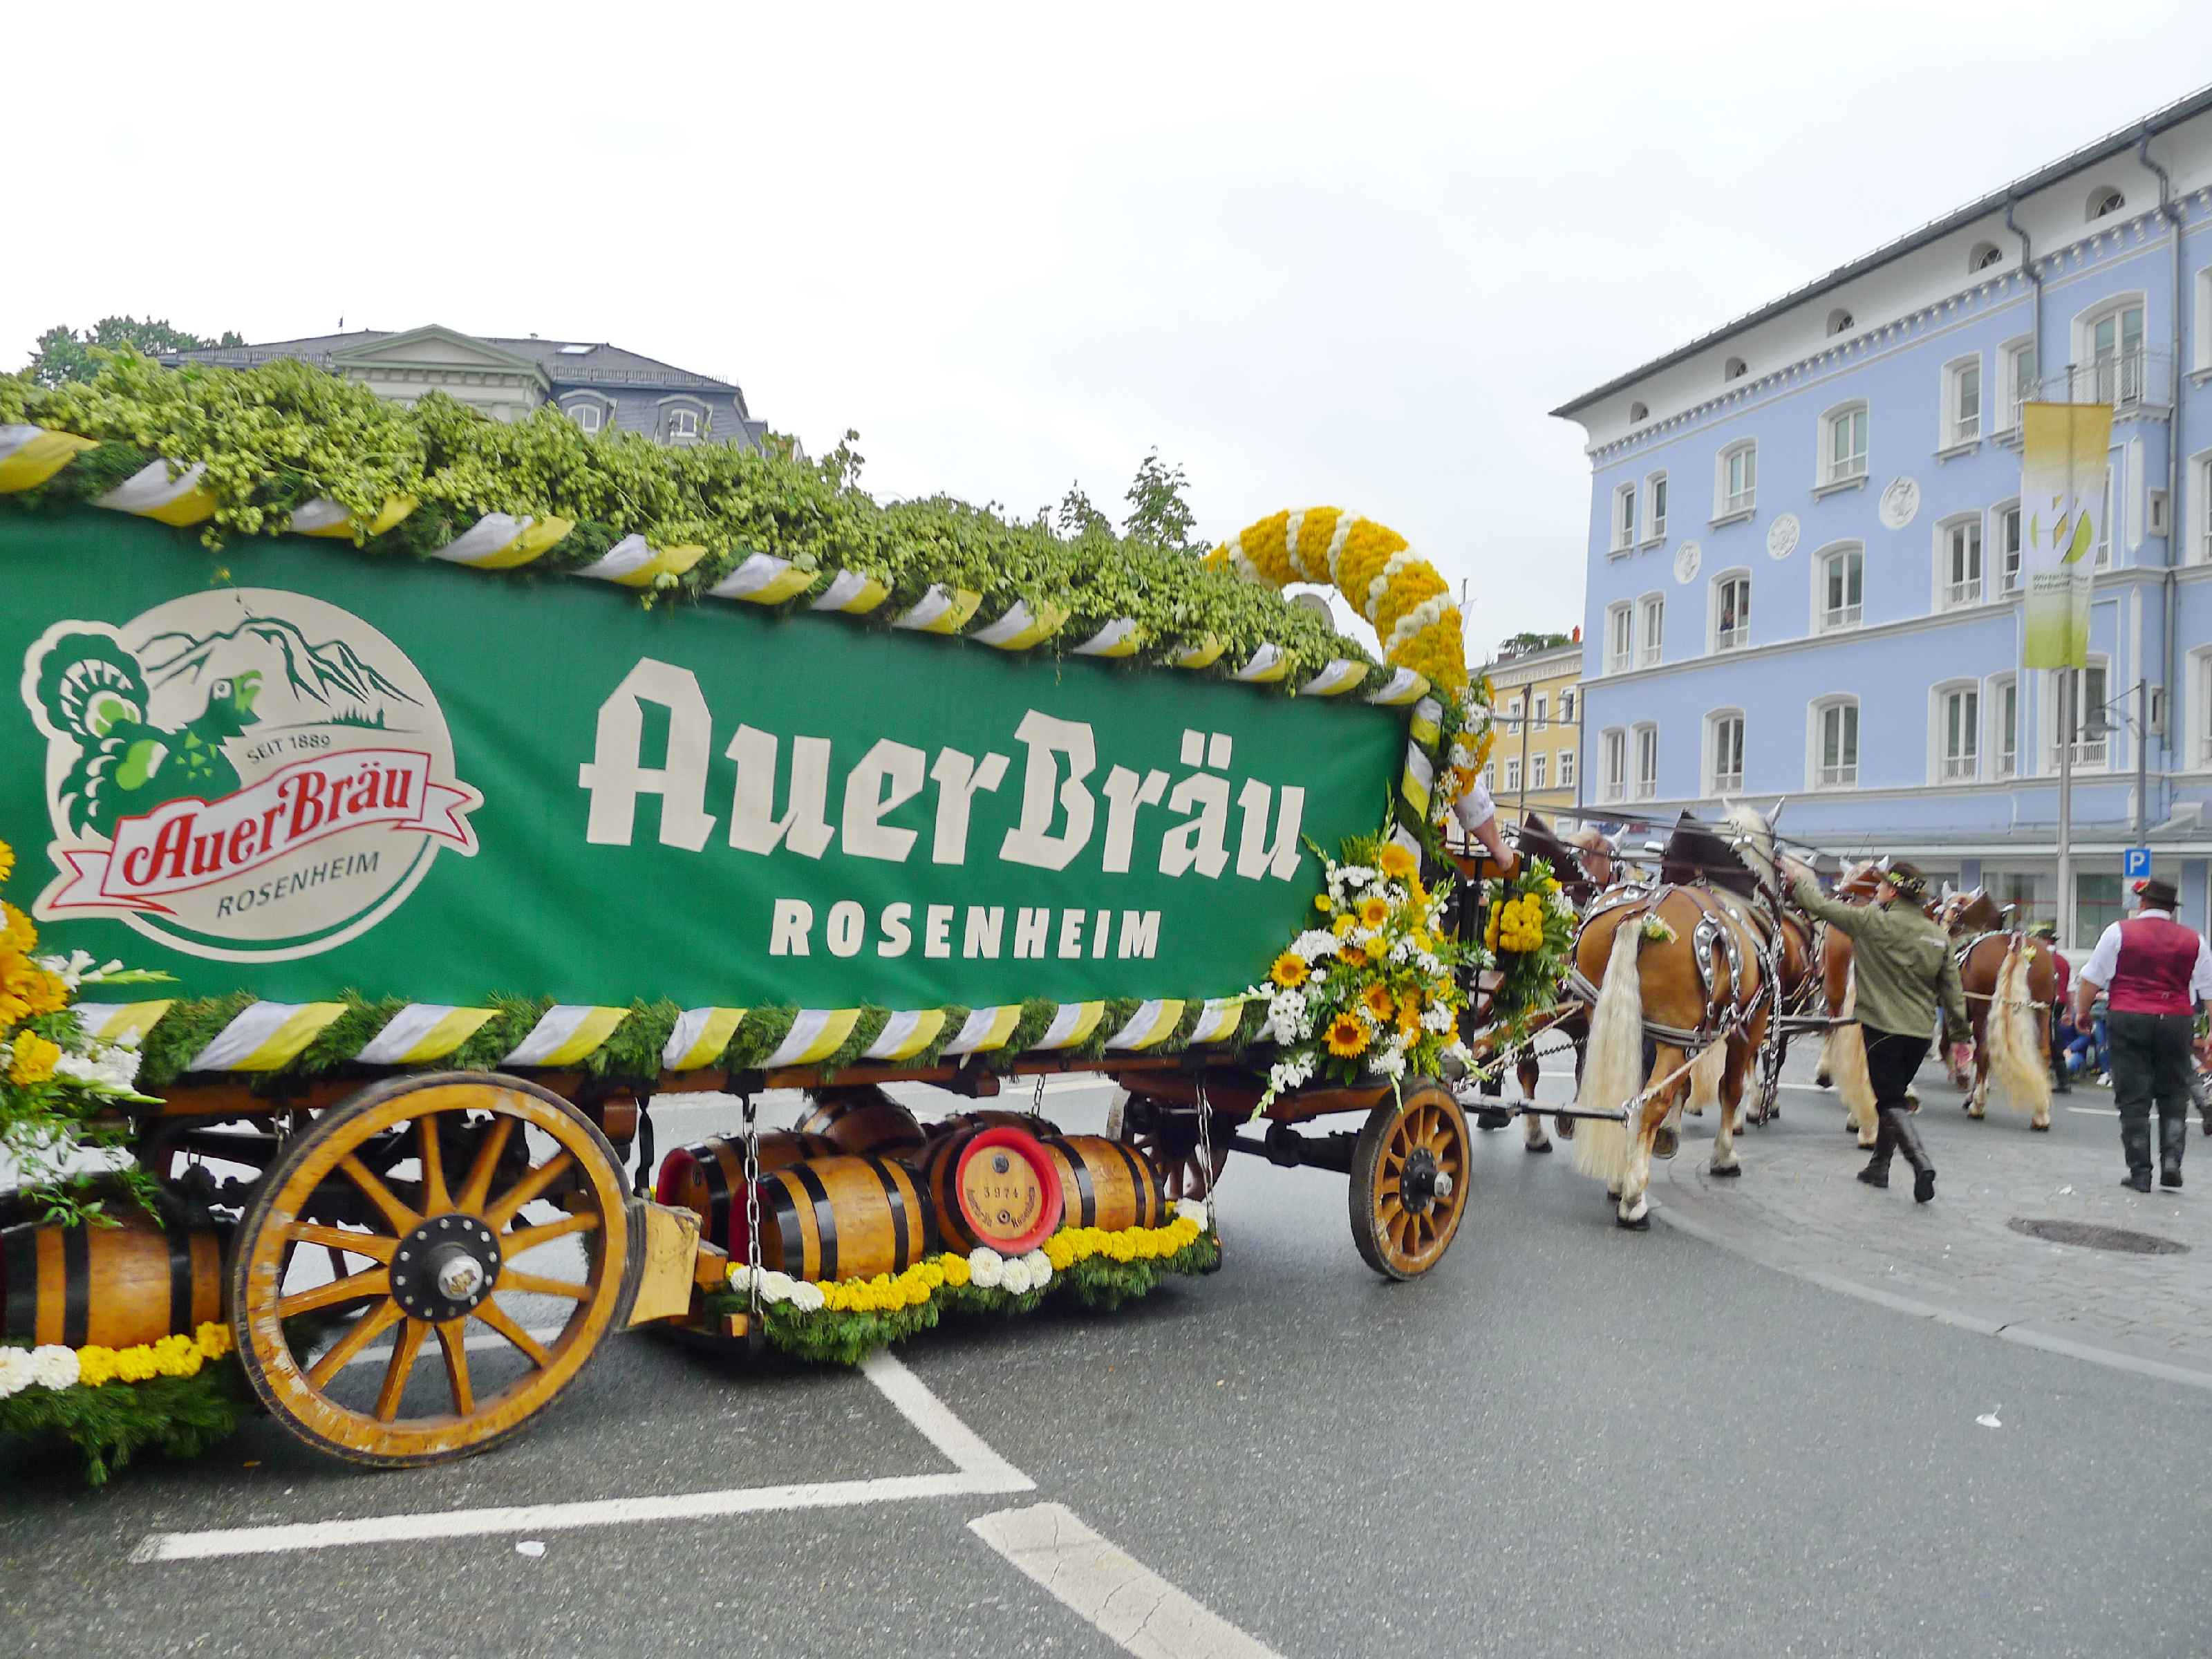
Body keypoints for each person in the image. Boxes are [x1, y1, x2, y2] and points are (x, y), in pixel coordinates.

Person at [1784, 857, 1969, 1202]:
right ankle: (1879, 1166)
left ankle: (1920, 1163)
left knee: (1889, 1101)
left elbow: (1821, 907)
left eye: (1883, 885)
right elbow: (1953, 993)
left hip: (1882, 1030)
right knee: (1894, 1095)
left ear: (1894, 892)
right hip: (1920, 1034)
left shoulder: (1871, 921)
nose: (1878, 889)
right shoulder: (1938, 937)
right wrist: (1960, 1038)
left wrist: (1795, 882)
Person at [2073, 877, 2212, 1192]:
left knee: (2133, 1096)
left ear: (2143, 903)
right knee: (2173, 1092)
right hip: (2175, 1021)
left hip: (2129, 1018)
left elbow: (2091, 978)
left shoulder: (2118, 932)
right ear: (2172, 909)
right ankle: (2172, 1162)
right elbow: (2209, 990)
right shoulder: (2195, 940)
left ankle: (2140, 1173)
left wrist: (2083, 1011)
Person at [2036, 922, 2072, 1095]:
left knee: (2049, 1039)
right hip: (2060, 1003)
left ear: (2044, 940)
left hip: (2045, 1003)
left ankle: (2061, 1081)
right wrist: (2069, 1011)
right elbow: (2070, 989)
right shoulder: (2063, 961)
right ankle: (2060, 1079)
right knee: (2052, 1038)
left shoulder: (2040, 959)